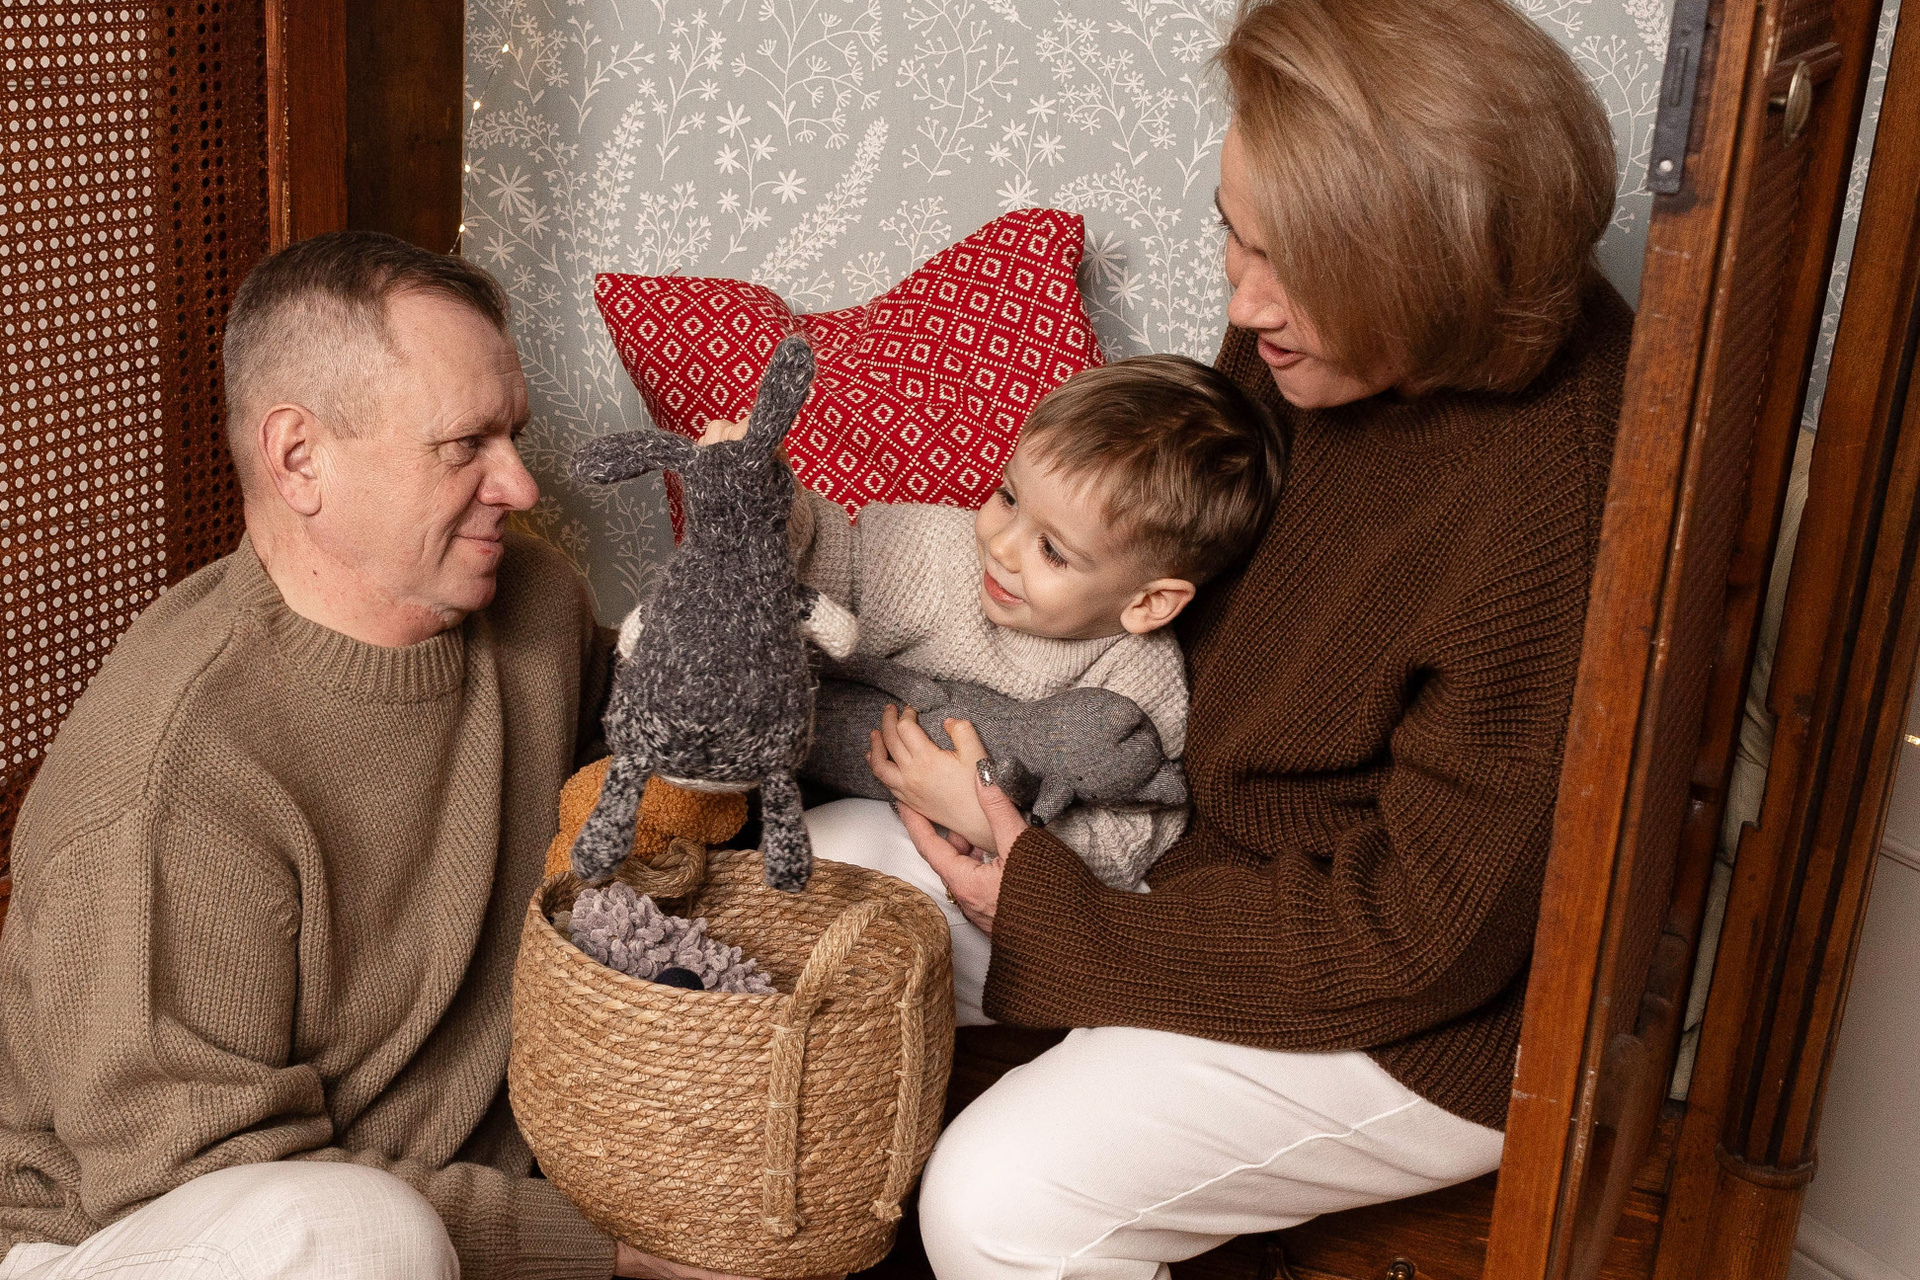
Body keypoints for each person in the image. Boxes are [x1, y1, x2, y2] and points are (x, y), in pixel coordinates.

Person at [865, 0, 1632, 1275]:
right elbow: (1172, 593)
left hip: (1406, 1008)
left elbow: (1422, 940)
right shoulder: (1314, 330)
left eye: (1290, 267)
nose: (1242, 295)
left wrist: (1063, 910)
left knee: (1000, 1201)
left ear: (1428, 268)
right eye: (1236, 230)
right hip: (1191, 857)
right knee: (816, 896)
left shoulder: (1557, 504)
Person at [0, 232, 807, 1280]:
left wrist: (750, 552)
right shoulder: (176, 780)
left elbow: (668, 772)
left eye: (513, 433)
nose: (520, 484)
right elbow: (185, 1170)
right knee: (361, 1234)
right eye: (465, 443)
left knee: (862, 848)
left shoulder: (533, 604)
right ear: (300, 459)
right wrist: (614, 1250)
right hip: (136, 1232)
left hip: (446, 1191)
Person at [748, 354, 1282, 1024]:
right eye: (1007, 497)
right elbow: (827, 560)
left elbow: (1130, 842)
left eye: (1052, 550)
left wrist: (984, 821)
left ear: (1147, 602)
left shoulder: (1137, 684)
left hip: (984, 880)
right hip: (820, 786)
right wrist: (767, 504)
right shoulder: (940, 555)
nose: (1002, 547)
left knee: (867, 909)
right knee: (794, 862)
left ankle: (860, 1023)